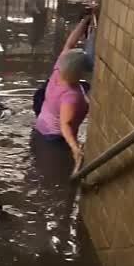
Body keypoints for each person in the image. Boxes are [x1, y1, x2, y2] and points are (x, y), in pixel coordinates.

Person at [33, 13, 93, 170]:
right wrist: (75, 148)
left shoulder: (59, 70)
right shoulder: (71, 96)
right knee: (57, 169)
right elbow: (65, 125)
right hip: (55, 137)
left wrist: (85, 21)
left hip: (40, 127)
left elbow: (70, 43)